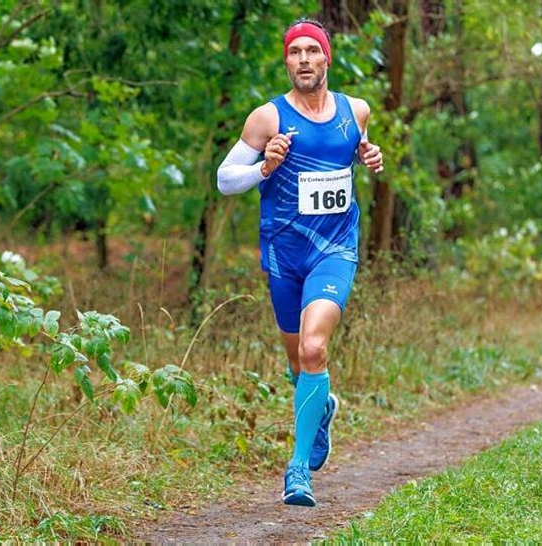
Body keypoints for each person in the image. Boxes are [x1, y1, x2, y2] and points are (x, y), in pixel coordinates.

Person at [216, 17, 383, 507]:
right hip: (285, 256)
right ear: (287, 61)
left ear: (327, 58)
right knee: (298, 363)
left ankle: (297, 470)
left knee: (314, 348)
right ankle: (322, 406)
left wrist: (369, 156)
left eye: (313, 50)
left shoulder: (356, 110)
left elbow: (351, 157)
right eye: (295, 52)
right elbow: (226, 179)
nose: (304, 59)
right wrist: (263, 167)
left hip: (334, 251)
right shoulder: (267, 118)